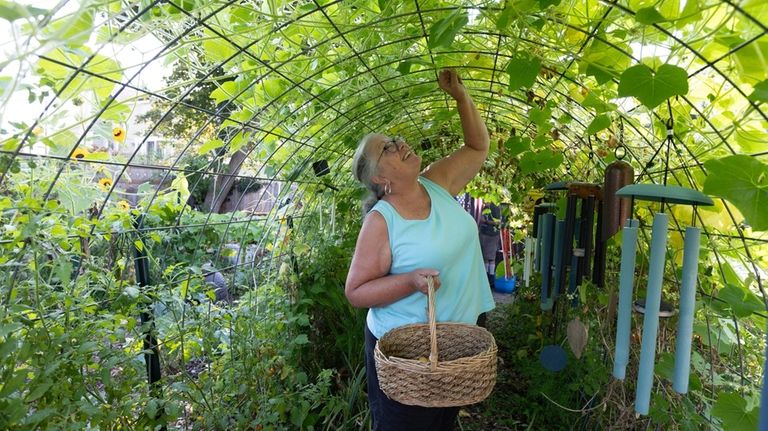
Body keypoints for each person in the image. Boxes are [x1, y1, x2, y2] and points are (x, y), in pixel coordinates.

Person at [345, 69, 496, 431]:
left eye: (394, 139)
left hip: (455, 344)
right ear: (380, 179)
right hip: (408, 354)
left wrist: (461, 96)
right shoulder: (382, 221)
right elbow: (356, 292)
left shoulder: (437, 182)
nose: (399, 144)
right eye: (387, 148)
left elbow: (478, 147)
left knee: (443, 423)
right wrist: (409, 281)